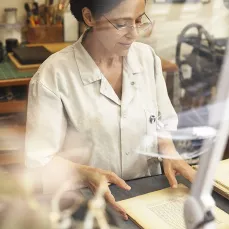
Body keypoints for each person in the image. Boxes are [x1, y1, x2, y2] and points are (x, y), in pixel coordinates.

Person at [25, 0, 196, 220]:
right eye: (121, 24)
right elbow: (39, 159)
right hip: (84, 204)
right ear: (89, 17)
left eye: (138, 20)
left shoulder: (146, 58)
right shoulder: (54, 75)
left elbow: (161, 119)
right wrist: (83, 172)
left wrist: (169, 151)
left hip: (148, 196)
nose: (134, 34)